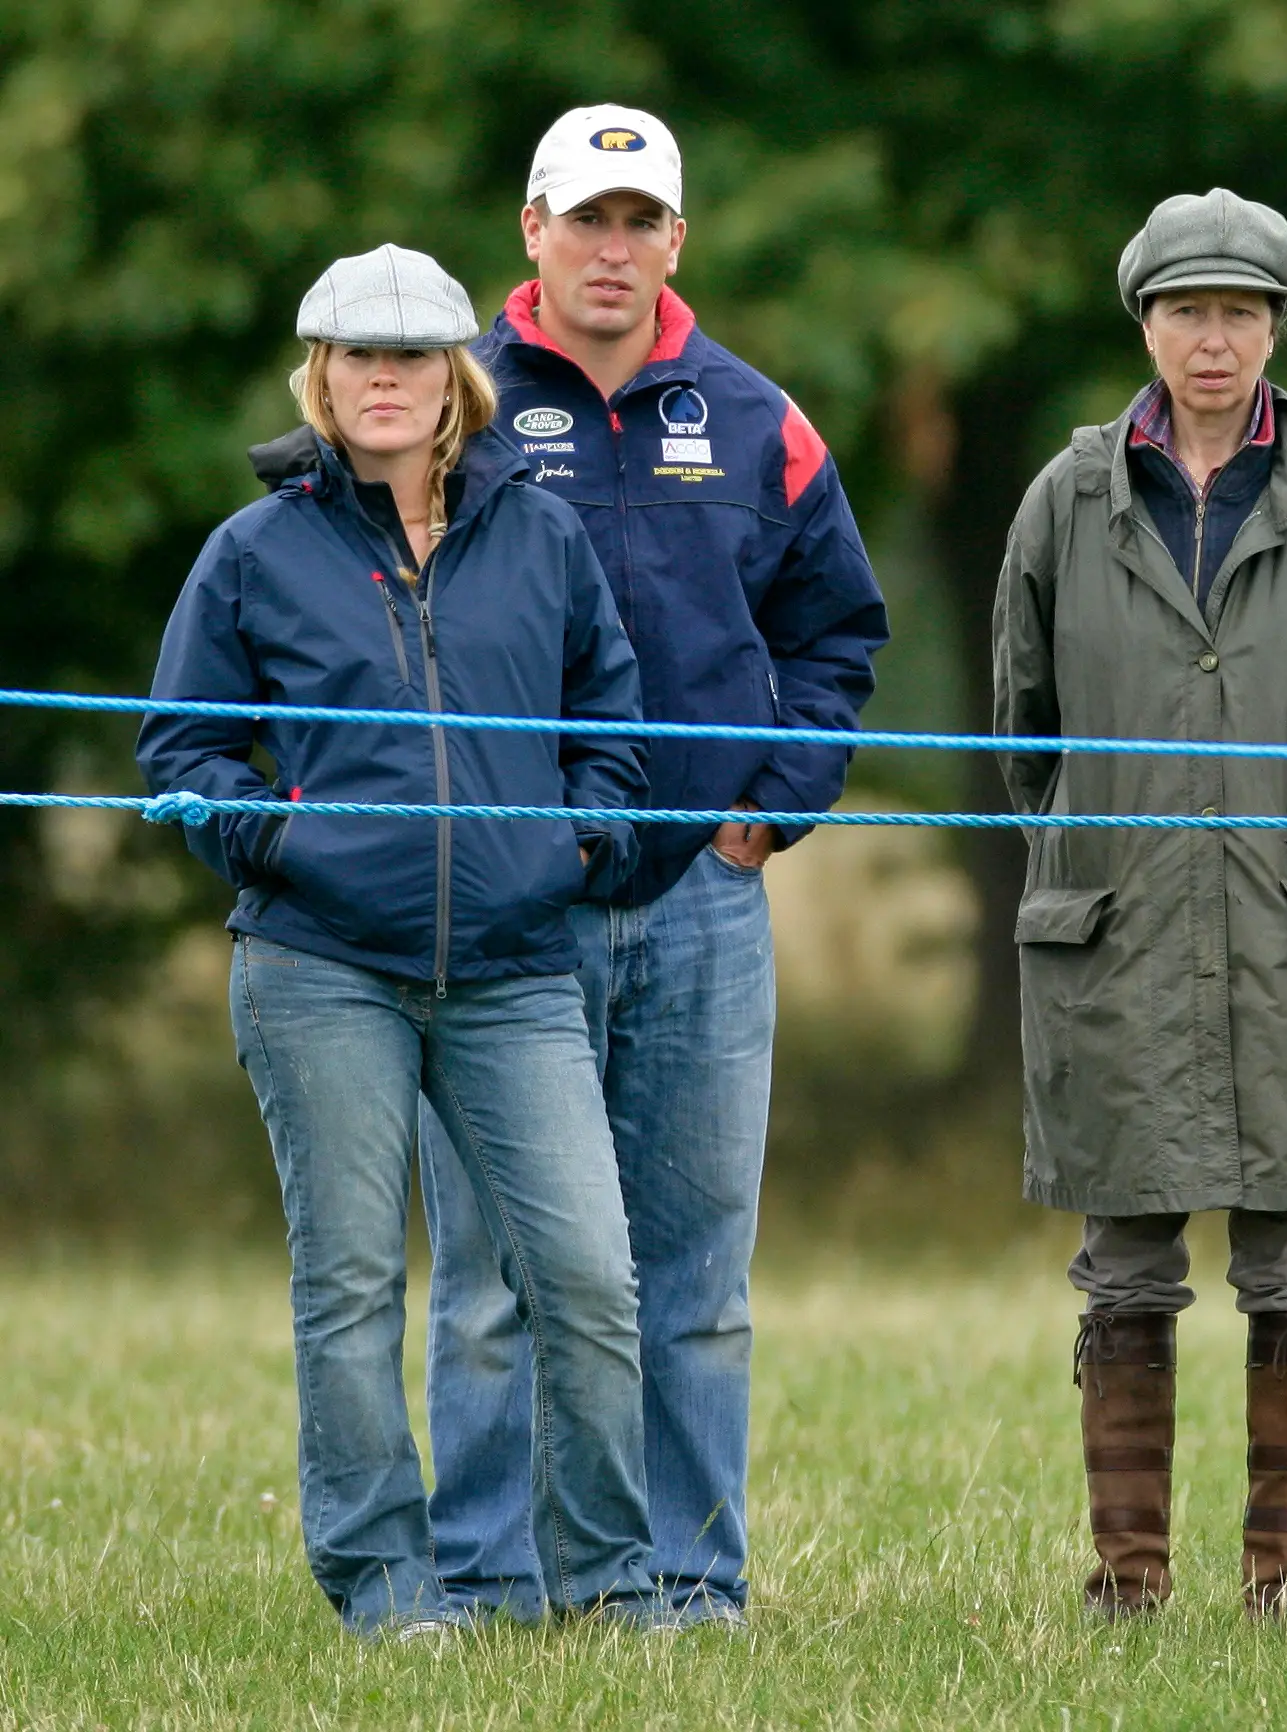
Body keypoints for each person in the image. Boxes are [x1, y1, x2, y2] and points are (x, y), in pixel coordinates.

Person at [138, 246, 665, 1638]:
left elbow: (612, 730)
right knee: (353, 1283)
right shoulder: (253, 552)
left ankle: (606, 1585)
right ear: (320, 378)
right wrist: (280, 841)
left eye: (411, 356)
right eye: (356, 356)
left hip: (512, 972)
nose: (383, 378)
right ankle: (387, 1585)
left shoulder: (538, 537)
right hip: (318, 969)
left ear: (455, 381)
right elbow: (182, 751)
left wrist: (577, 843)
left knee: (592, 1281)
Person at [414, 105, 889, 1626]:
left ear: (675, 243)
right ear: (530, 233)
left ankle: (683, 1589)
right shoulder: (448, 412)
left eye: (641, 224)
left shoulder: (760, 421)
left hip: (700, 897)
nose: (610, 251)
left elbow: (838, 636)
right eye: (585, 220)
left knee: (692, 1281)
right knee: (492, 1277)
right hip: (500, 908)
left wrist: (773, 808)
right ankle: (487, 1582)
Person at [994, 188, 1287, 1626]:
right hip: (1119, 932)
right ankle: (1126, 1582)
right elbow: (1024, 734)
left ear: (1276, 327)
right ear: (1144, 321)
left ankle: (1283, 1582)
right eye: (1186, 309)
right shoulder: (1064, 501)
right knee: (1120, 1257)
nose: (1213, 338)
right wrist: (1114, 856)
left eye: (1239, 312)